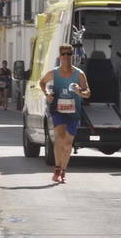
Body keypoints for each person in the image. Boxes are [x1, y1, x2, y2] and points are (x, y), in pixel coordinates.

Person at [38, 45, 92, 183]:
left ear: (72, 56)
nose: (66, 57)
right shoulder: (54, 73)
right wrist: (47, 94)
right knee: (59, 137)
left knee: (68, 144)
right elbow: (42, 82)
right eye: (64, 54)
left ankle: (63, 170)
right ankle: (57, 170)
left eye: (69, 54)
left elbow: (88, 93)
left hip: (73, 112)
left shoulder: (79, 74)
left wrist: (80, 92)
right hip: (58, 110)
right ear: (60, 56)